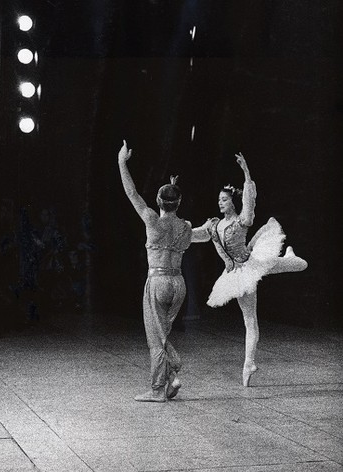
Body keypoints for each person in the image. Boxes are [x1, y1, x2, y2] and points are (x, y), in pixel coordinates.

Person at [191, 153, 308, 387]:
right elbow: (194, 235)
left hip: (248, 266)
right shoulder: (213, 225)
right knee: (275, 270)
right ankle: (291, 258)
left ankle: (249, 363)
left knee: (250, 320)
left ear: (232, 201)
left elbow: (249, 202)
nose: (220, 202)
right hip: (235, 272)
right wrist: (176, 230)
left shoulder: (240, 221)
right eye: (219, 199)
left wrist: (246, 173)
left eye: (224, 199)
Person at [118, 140, 192, 402]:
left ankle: (158, 388)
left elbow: (132, 193)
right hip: (179, 284)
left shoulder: (151, 219)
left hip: (158, 281)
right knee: (163, 332)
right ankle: (172, 375)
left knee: (155, 338)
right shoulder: (186, 227)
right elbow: (190, 233)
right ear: (179, 201)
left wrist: (121, 162)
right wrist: (174, 189)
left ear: (158, 201)